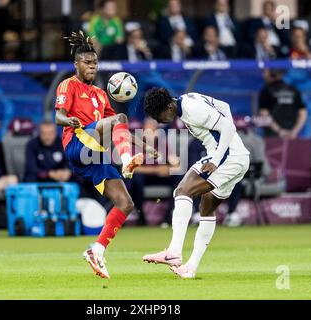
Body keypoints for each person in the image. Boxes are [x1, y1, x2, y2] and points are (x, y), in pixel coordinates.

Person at [56, 31, 157, 279]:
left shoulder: (101, 94)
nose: (91, 66)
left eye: (94, 63)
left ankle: (97, 251)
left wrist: (141, 144)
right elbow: (58, 115)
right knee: (119, 118)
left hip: (95, 157)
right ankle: (126, 161)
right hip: (77, 145)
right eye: (86, 63)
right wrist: (66, 119)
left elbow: (116, 126)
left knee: (126, 203)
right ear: (76, 64)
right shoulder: (68, 85)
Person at [142, 89, 250, 278]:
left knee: (182, 191)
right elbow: (225, 107)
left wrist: (216, 159)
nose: (161, 121)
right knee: (207, 207)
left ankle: (174, 252)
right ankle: (190, 267)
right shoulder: (188, 99)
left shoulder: (193, 109)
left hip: (226, 158)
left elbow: (228, 128)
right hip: (238, 157)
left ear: (169, 107)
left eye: (160, 116)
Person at [259, 69, 307, 139]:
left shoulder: (266, 91)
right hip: (292, 135)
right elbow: (303, 114)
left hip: (273, 136)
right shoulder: (294, 89)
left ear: (272, 74)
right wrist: (294, 131)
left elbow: (264, 114)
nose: (263, 75)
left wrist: (280, 131)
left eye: (264, 72)